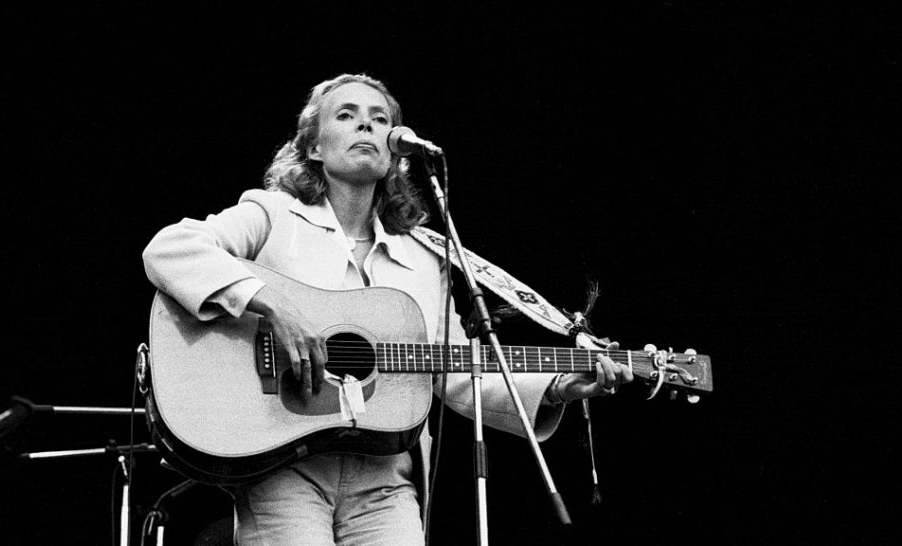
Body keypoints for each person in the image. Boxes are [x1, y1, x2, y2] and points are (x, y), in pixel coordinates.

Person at [142, 73, 632, 546]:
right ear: (314, 147)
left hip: (385, 481)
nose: (366, 125)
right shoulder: (273, 216)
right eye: (346, 115)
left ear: (396, 152)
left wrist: (560, 385)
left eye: (380, 119)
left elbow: (455, 370)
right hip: (280, 468)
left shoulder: (424, 255)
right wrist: (272, 305)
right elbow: (170, 248)